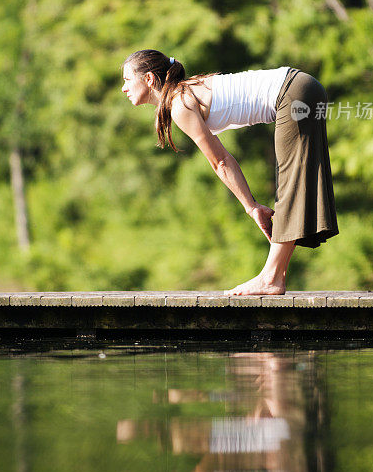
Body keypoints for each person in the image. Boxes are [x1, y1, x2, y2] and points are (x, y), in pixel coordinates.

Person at [121, 49, 339, 295]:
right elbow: (223, 160)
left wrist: (251, 207)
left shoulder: (180, 104)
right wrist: (252, 205)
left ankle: (271, 277)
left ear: (149, 79)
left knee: (292, 182)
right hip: (300, 87)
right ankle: (275, 276)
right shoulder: (185, 93)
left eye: (128, 79)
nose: (124, 88)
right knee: (296, 182)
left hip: (293, 92)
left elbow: (220, 162)